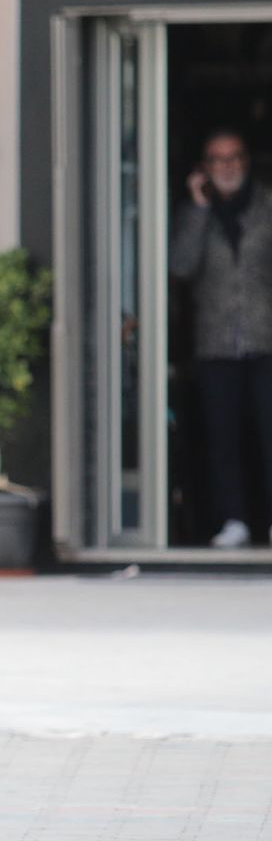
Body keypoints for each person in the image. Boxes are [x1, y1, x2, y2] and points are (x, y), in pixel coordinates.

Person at [171, 128, 272, 548]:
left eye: (234, 158)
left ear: (247, 162)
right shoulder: (197, 212)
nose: (227, 166)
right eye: (217, 159)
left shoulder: (268, 206)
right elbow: (180, 266)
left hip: (266, 340)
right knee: (223, 437)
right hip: (214, 344)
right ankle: (234, 520)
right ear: (205, 168)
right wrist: (197, 207)